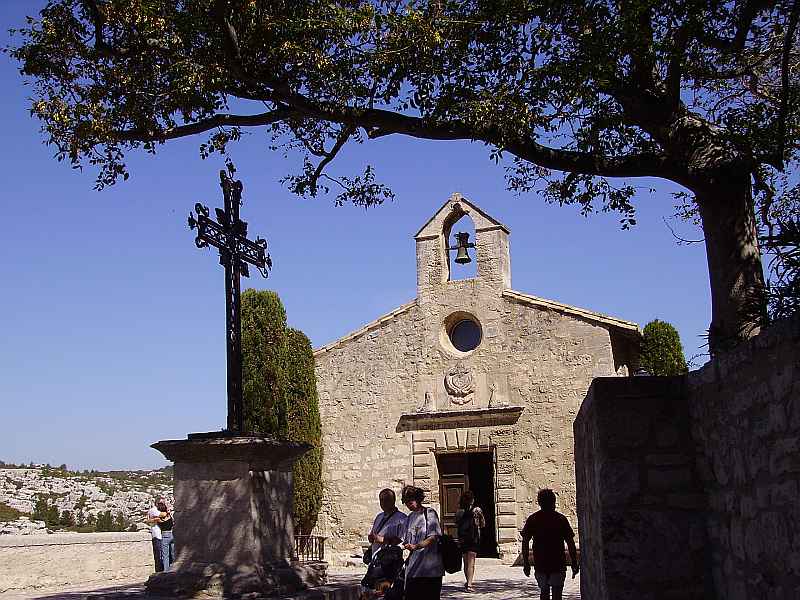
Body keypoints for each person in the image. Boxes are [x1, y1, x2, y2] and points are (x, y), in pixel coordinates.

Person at [521, 489, 579, 600]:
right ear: (554, 501)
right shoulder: (561, 519)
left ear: (539, 502)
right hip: (558, 563)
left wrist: (526, 563)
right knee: (557, 594)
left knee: (544, 593)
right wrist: (574, 562)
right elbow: (570, 542)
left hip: (541, 563)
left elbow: (525, 542)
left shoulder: (533, 519)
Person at [401, 485, 444, 600]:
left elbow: (433, 537)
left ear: (418, 499)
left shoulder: (429, 513)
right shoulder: (409, 518)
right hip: (414, 569)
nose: (409, 505)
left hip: (430, 569)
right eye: (406, 502)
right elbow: (405, 539)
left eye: (411, 501)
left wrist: (416, 546)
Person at [361, 488, 407, 594]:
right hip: (376, 560)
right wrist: (372, 538)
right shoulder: (379, 516)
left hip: (390, 562)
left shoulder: (402, 518)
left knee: (386, 591)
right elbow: (374, 533)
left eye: (386, 500)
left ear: (393, 500)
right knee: (373, 590)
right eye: (381, 500)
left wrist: (383, 540)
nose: (383, 503)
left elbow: (401, 539)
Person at [455, 490, 486, 592]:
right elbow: (482, 524)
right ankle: (469, 584)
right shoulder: (476, 511)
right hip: (473, 539)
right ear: (472, 500)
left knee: (465, 562)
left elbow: (457, 524)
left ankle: (468, 581)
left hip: (463, 539)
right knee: (471, 563)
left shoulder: (459, 512)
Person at [146, 496, 174, 571]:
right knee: (171, 554)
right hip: (168, 534)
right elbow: (164, 515)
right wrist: (168, 510)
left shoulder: (160, 519)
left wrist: (152, 520)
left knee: (165, 556)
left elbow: (149, 521)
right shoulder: (155, 511)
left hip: (164, 535)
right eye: (162, 503)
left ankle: (165, 571)